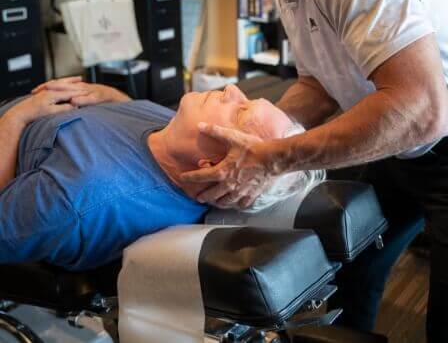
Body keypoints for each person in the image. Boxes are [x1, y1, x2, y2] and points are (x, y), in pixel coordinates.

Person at [171, 0, 448, 342]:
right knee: (350, 270)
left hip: (433, 131)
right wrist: (252, 130)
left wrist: (274, 158)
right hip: (400, 139)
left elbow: (423, 109)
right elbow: (320, 84)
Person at [0, 77, 322, 271]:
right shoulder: (178, 141)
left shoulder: (78, 200)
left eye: (239, 111)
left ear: (213, 166)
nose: (233, 89)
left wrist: (16, 119)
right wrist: (114, 100)